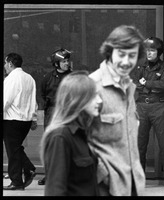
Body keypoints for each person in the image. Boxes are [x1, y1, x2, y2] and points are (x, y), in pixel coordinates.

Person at [87, 25, 146, 196]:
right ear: (109, 52)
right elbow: (73, 140)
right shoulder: (92, 86)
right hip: (104, 187)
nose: (126, 61)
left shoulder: (129, 87)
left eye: (132, 55)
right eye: (121, 54)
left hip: (133, 184)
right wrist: (102, 175)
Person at [40, 71, 100, 196]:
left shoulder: (83, 133)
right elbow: (55, 190)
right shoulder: (60, 137)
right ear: (78, 100)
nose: (99, 101)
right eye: (94, 96)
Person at [133, 36, 164, 191]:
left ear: (159, 52)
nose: (148, 53)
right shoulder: (140, 66)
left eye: (152, 50)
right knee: (140, 145)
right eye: (147, 50)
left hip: (159, 106)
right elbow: (136, 84)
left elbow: (163, 85)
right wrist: (148, 86)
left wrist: (146, 83)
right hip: (142, 106)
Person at [3, 53, 38, 190]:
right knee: (16, 148)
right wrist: (34, 118)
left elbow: (6, 100)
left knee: (13, 151)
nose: (4, 66)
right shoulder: (29, 78)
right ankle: (27, 170)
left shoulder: (11, 78)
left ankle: (17, 181)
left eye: (5, 63)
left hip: (12, 120)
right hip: (26, 121)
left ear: (10, 63)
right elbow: (33, 100)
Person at [39, 48, 72, 185]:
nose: (67, 63)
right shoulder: (48, 78)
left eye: (67, 61)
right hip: (51, 112)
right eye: (63, 61)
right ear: (56, 63)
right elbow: (42, 95)